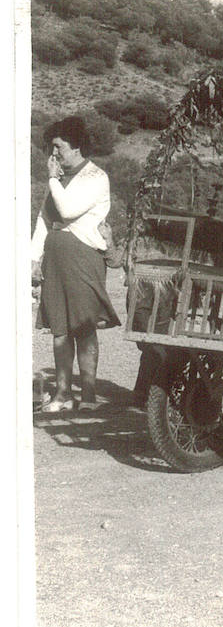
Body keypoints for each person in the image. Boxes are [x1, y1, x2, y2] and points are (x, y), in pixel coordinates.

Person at [31, 116, 121, 412]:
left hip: (83, 257)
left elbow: (68, 210)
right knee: (59, 328)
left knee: (83, 327)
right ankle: (62, 393)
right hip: (55, 258)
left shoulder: (96, 177)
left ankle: (90, 396)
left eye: (59, 147)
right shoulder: (58, 180)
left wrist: (53, 180)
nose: (54, 154)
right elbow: (45, 220)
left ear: (76, 146)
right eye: (52, 148)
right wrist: (33, 259)